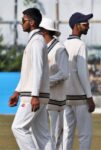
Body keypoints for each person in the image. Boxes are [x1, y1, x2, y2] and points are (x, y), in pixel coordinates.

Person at [8, 8, 52, 150]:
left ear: (32, 22)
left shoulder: (37, 41)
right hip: (35, 94)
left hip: (32, 96)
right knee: (43, 135)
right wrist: (16, 91)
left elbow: (38, 69)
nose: (22, 24)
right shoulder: (35, 40)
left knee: (18, 128)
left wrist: (34, 95)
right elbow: (29, 72)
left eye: (23, 20)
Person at [63, 12, 95, 150]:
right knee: (85, 134)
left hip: (65, 97)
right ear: (76, 26)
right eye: (85, 24)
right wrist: (89, 97)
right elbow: (82, 72)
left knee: (67, 133)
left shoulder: (62, 44)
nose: (88, 26)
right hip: (80, 97)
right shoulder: (80, 45)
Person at [39, 17, 69, 150]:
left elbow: (64, 73)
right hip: (45, 99)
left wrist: (45, 82)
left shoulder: (59, 49)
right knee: (45, 136)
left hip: (56, 100)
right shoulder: (44, 48)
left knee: (54, 136)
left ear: (44, 31)